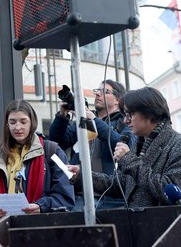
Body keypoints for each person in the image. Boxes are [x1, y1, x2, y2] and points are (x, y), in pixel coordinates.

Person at [77, 87, 181, 208]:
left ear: (150, 112)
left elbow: (168, 191)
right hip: (137, 224)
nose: (126, 120)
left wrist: (129, 160)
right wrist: (81, 175)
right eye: (125, 115)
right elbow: (118, 184)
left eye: (130, 114)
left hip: (169, 225)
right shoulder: (137, 145)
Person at [0, 100, 74, 225]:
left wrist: (41, 207)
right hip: (5, 231)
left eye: (23, 122)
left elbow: (65, 197)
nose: (18, 127)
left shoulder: (53, 152)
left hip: (42, 230)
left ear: (32, 122)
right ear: (7, 124)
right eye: (12, 122)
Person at [48, 80, 134, 210]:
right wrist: (62, 116)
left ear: (118, 100)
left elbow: (121, 144)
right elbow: (58, 142)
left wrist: (93, 120)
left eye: (105, 91)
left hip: (112, 196)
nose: (98, 94)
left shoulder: (125, 121)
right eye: (97, 90)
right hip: (81, 193)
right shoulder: (85, 119)